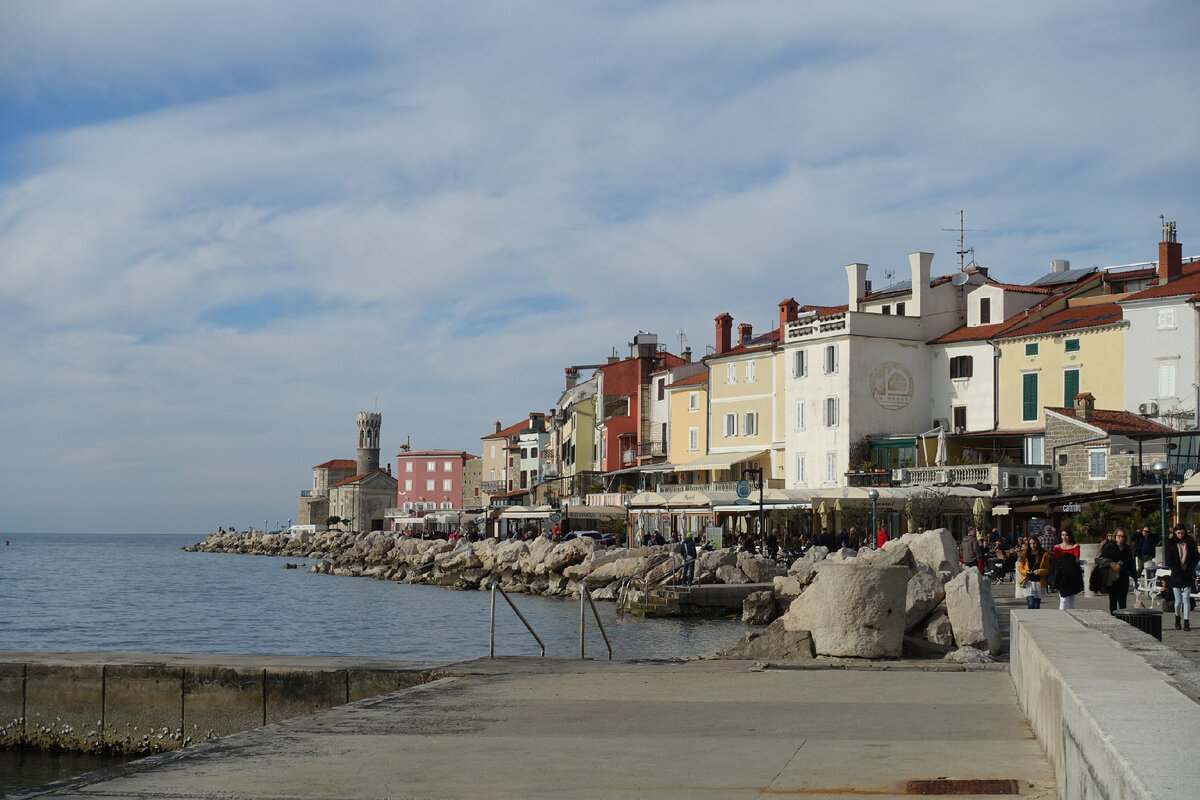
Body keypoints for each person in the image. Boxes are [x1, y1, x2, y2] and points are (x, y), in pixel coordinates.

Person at [1163, 525, 1199, 631]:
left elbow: (1195, 557)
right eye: (1178, 533)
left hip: (1187, 574)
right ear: (1175, 532)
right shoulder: (1170, 543)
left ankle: (1186, 622)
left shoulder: (1190, 542)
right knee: (1178, 600)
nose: (1181, 535)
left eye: (1182, 533)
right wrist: (1176, 570)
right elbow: (1168, 560)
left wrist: (1189, 569)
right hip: (1176, 575)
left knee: (1186, 599)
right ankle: (1177, 618)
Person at [1100, 528, 1137, 613]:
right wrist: (1110, 564)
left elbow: (1131, 564)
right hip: (1112, 577)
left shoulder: (1127, 549)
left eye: (1123, 536)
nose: (1121, 538)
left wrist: (1135, 579)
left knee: (1122, 600)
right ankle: (1114, 618)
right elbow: (1101, 559)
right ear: (1115, 536)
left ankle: (1123, 619)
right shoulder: (1109, 547)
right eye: (1119, 536)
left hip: (1123, 577)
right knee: (1113, 600)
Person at [1052, 530, 1084, 610]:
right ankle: (1061, 617)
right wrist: (1070, 558)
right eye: (1062, 535)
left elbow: (1077, 559)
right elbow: (1057, 561)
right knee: (1063, 599)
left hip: (1073, 575)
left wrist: (1066, 559)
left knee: (1071, 601)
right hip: (1062, 575)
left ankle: (1072, 618)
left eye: (1066, 535)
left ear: (1070, 536)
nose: (1064, 537)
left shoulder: (1075, 546)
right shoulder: (1057, 547)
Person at [1018, 538, 1051, 609]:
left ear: (1038, 543)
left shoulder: (1044, 554)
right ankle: (1030, 618)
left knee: (1036, 605)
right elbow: (1020, 568)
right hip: (1028, 581)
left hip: (1039, 582)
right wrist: (1025, 571)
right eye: (1030, 544)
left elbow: (1047, 570)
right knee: (1031, 604)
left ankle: (1036, 619)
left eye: (1034, 543)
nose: (1032, 545)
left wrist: (1039, 571)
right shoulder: (1025, 554)